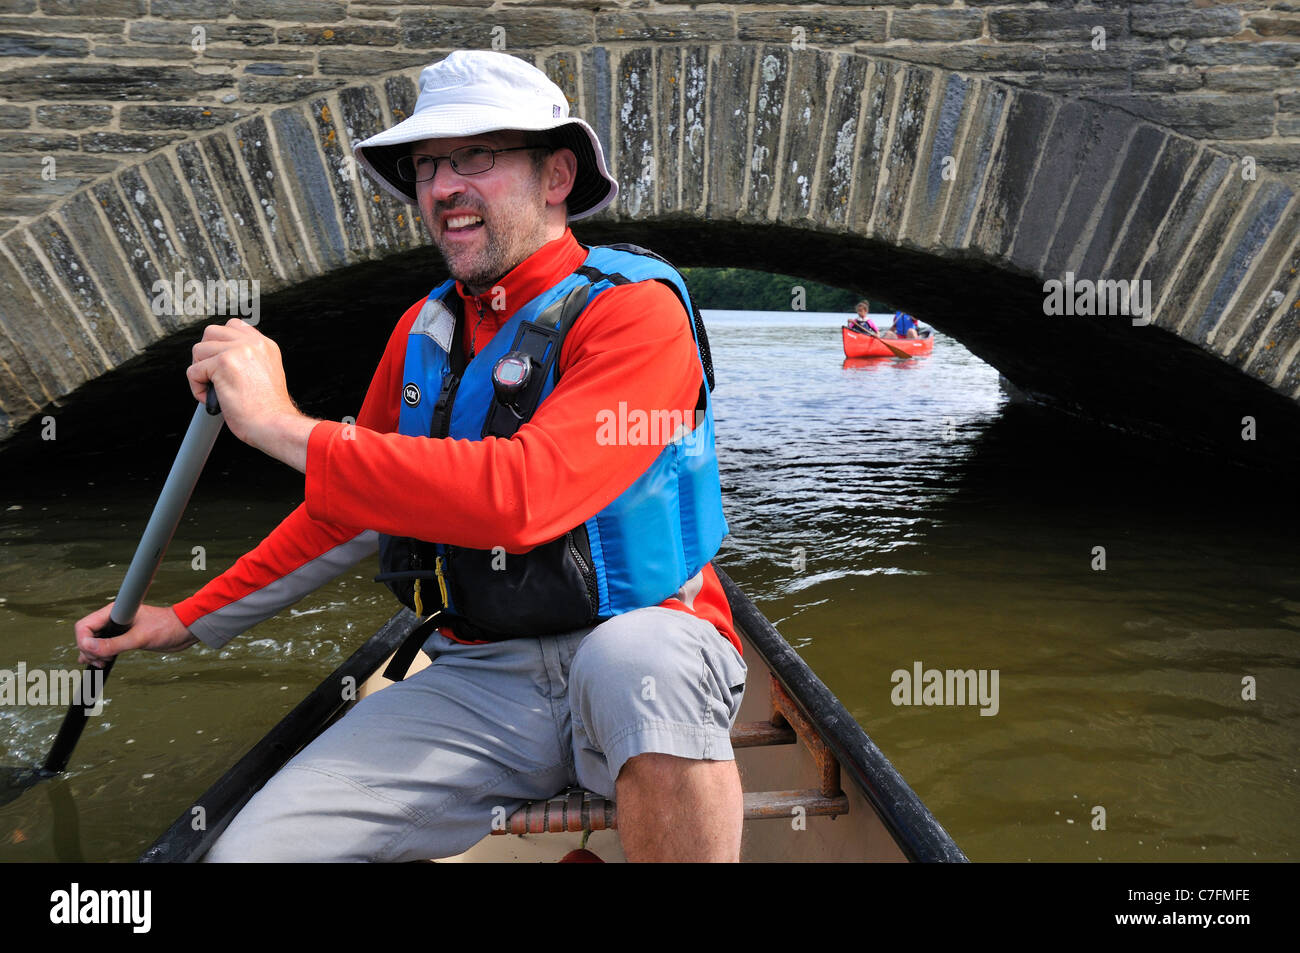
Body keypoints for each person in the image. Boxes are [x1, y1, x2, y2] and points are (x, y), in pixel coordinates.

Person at [72, 51, 746, 862]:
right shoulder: (423, 333)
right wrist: (184, 620)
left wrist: (284, 426)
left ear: (557, 175)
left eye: (474, 157)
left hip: (645, 643)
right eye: (427, 166)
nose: (442, 187)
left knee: (635, 657)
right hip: (484, 672)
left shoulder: (635, 315)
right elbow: (347, 508)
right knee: (248, 854)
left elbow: (523, 497)